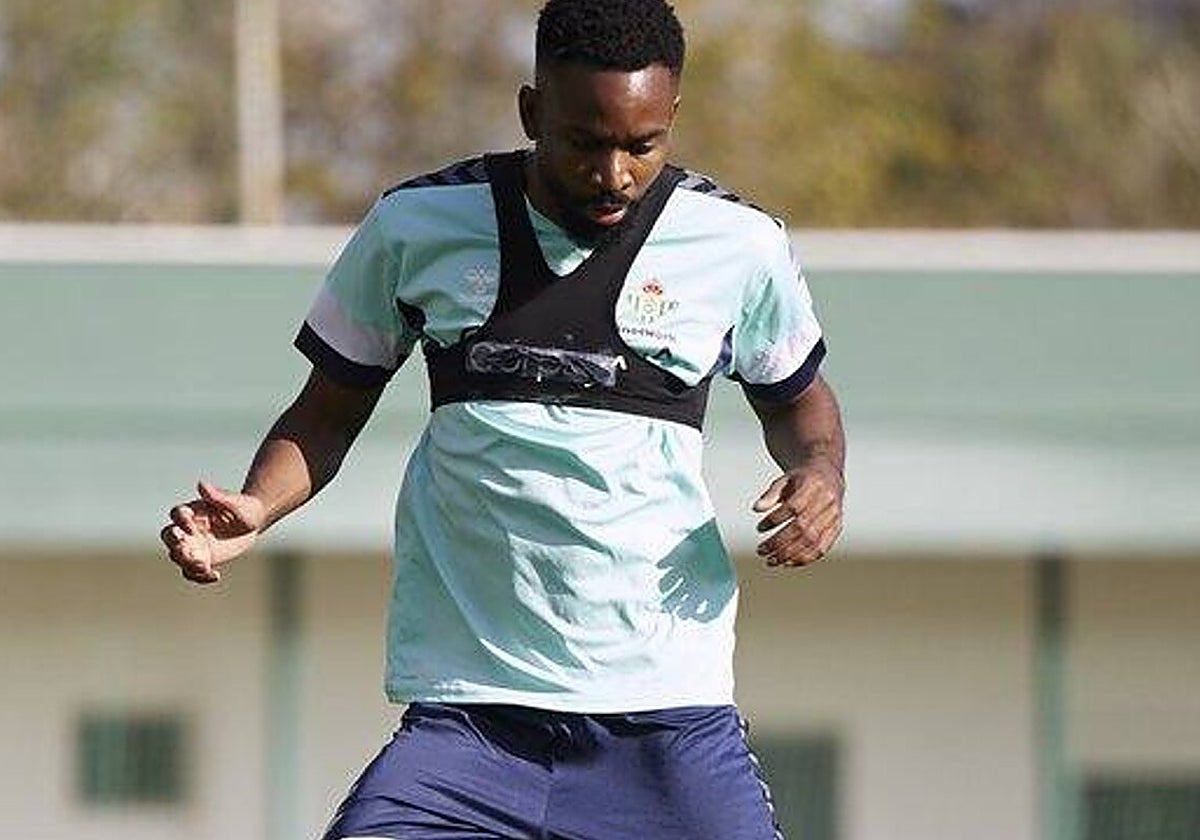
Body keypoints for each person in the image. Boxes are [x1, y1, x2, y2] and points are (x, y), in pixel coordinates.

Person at [160, 0, 845, 837]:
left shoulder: (737, 245)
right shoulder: (416, 226)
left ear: (671, 117)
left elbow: (802, 408)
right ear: (532, 113)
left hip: (666, 719)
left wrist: (821, 473)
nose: (614, 173)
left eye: (641, 145)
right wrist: (259, 506)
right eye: (585, 143)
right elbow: (328, 411)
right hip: (468, 728)